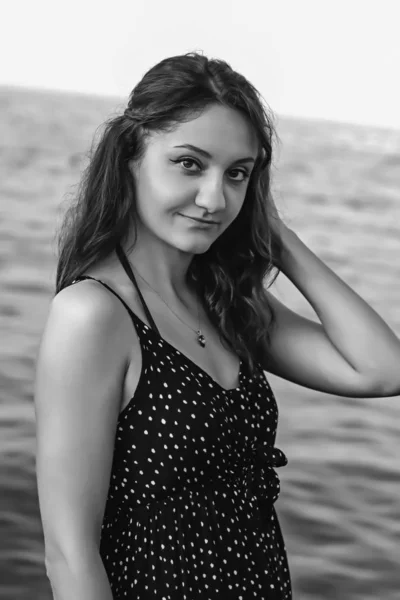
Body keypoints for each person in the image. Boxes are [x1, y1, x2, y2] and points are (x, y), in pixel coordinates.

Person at [34, 51, 400, 600]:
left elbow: (380, 371)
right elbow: (69, 553)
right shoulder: (94, 314)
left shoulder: (229, 303)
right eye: (188, 163)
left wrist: (272, 233)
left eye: (237, 174)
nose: (214, 198)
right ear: (130, 156)